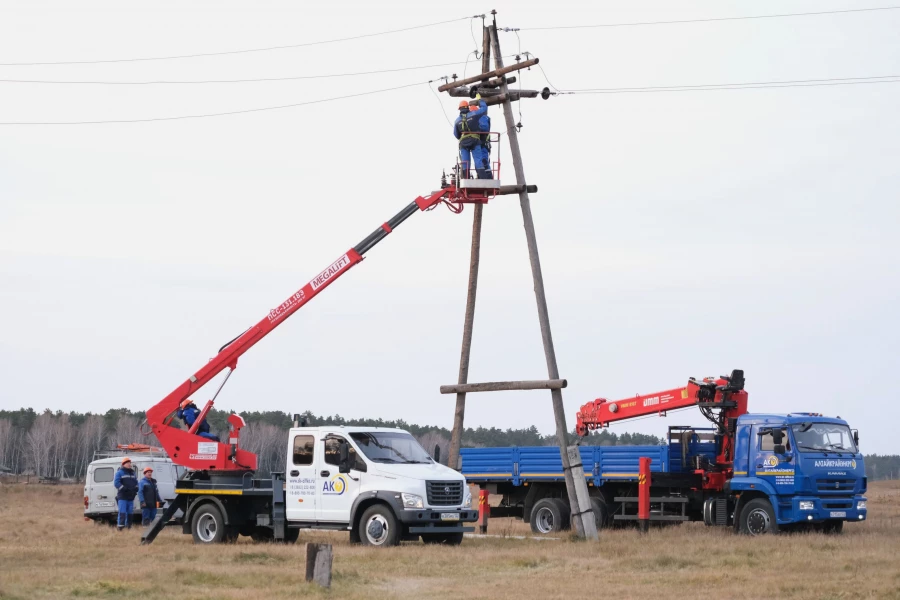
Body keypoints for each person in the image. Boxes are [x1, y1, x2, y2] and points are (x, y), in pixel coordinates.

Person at [453, 96, 491, 179]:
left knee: (465, 162)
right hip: (475, 141)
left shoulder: (457, 121)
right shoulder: (473, 114)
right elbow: (484, 109)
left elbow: (456, 135)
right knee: (478, 160)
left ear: (459, 109)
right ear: (468, 108)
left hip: (463, 143)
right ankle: (483, 179)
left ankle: (466, 180)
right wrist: (480, 99)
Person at [468, 97, 493, 179]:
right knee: (479, 161)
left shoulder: (482, 118)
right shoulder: (479, 117)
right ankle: (482, 177)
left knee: (483, 161)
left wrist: (476, 128)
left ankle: (488, 178)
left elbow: (484, 128)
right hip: (478, 143)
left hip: (483, 143)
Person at [113, 457, 138, 531]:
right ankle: (120, 528)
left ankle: (129, 527)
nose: (129, 464)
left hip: (131, 497)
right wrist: (124, 489)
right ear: (123, 464)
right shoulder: (119, 472)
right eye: (127, 463)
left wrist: (136, 488)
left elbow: (136, 482)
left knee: (130, 513)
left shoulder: (133, 473)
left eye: (130, 463)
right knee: (122, 512)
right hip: (123, 496)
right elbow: (116, 483)